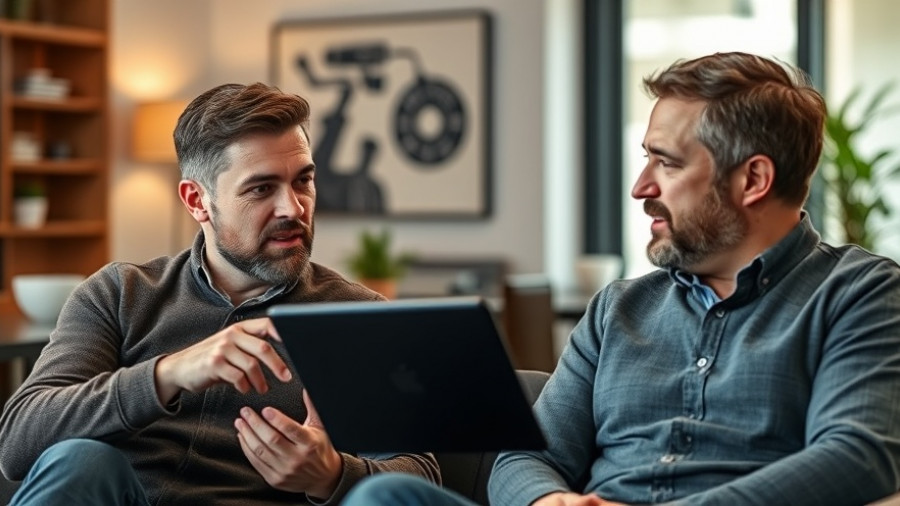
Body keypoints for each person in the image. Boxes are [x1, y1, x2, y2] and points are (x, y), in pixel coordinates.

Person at [341, 51, 900, 505]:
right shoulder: (618, 308)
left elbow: (858, 455)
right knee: (386, 495)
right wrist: (548, 501)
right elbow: (529, 455)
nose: (640, 187)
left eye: (667, 163)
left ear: (753, 179)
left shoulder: (860, 292)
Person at [0, 82, 439, 505]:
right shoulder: (118, 293)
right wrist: (167, 374)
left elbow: (420, 474)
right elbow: (19, 442)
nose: (293, 208)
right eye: (261, 188)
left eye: (303, 181)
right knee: (83, 461)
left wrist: (331, 474)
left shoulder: (359, 316)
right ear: (197, 201)